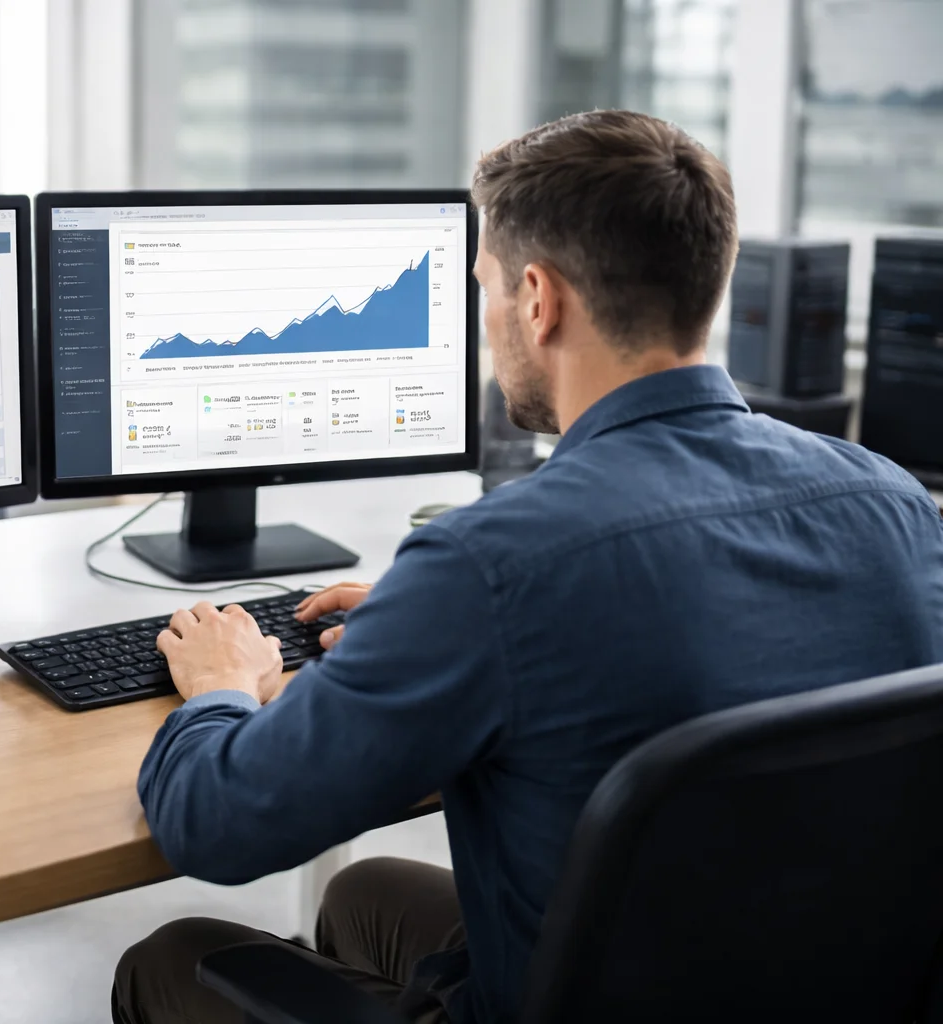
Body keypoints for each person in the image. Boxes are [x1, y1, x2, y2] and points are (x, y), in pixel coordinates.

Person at [113, 109, 943, 1024]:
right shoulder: (895, 503)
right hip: (809, 992)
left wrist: (224, 689)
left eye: (488, 289)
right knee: (367, 893)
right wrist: (428, 623)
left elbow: (216, 824)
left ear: (539, 300)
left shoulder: (494, 564)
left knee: (174, 957)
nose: (490, 315)